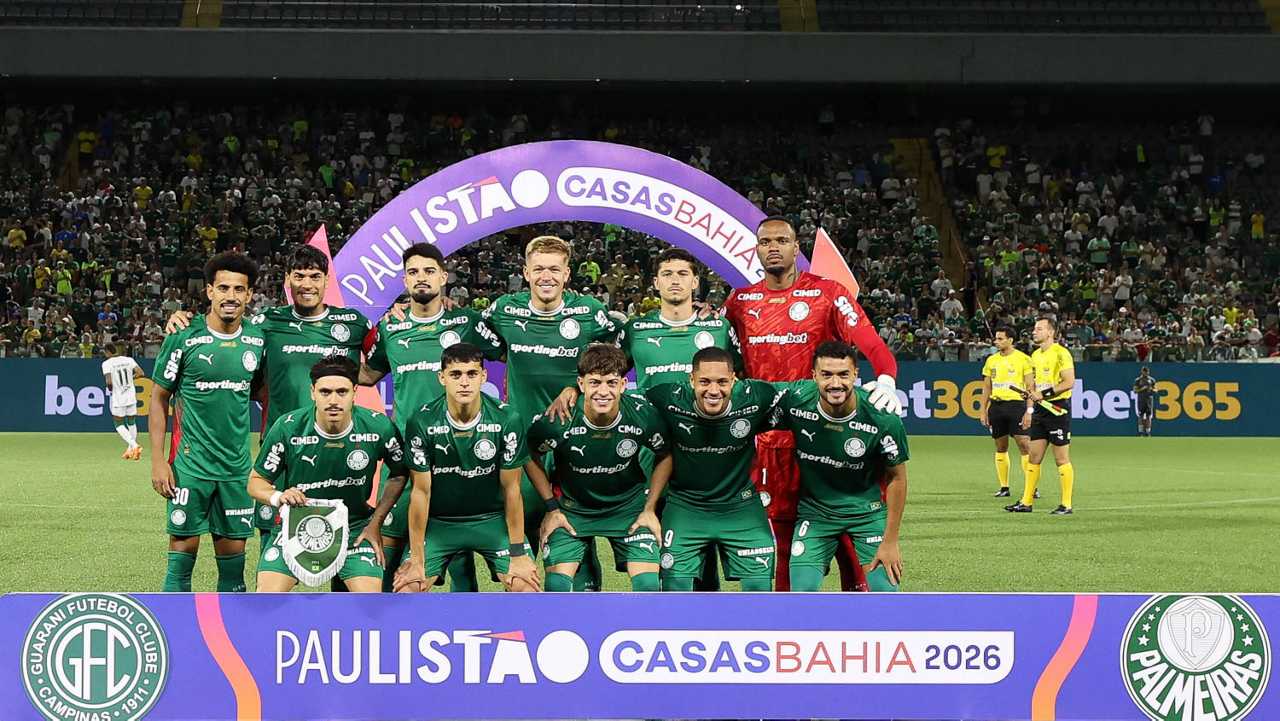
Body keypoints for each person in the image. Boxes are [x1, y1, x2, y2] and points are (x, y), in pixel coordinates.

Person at [721, 215, 900, 592]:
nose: (773, 247)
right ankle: (791, 624)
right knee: (784, 539)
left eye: (781, 240)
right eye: (766, 241)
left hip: (829, 433)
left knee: (851, 542)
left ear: (796, 247)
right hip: (773, 440)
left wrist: (886, 375)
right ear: (756, 249)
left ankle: (863, 624)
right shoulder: (739, 303)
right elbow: (721, 366)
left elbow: (870, 343)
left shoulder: (827, 293)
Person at [165, 244, 374, 544]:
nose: (307, 284)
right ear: (287, 280)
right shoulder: (265, 324)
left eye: (315, 276)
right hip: (281, 451)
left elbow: (379, 365)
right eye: (299, 276)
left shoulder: (353, 325)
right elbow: (232, 347)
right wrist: (183, 319)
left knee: (342, 537)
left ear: (327, 281)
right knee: (272, 541)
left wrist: (404, 312)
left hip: (337, 450)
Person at [360, 242, 504, 591]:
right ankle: (387, 630)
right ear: (405, 280)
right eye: (413, 272)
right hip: (407, 459)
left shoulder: (466, 321)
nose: (420, 279)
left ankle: (464, 627)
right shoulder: (391, 327)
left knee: (459, 552)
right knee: (388, 551)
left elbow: (511, 351)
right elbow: (368, 375)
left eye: (428, 271)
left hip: (462, 453)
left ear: (443, 276)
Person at [480, 236, 620, 591]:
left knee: (577, 536)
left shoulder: (589, 312)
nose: (547, 276)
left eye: (554, 269)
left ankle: (585, 615)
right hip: (523, 448)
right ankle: (526, 619)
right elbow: (467, 330)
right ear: (525, 273)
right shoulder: (503, 311)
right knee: (520, 538)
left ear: (567, 274)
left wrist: (581, 384)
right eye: (539, 268)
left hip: (577, 447)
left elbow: (616, 356)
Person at [149, 252, 266, 592]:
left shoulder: (258, 340)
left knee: (233, 572)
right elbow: (159, 398)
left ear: (249, 295)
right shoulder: (183, 336)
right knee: (180, 562)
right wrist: (159, 462)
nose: (231, 296)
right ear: (210, 291)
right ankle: (174, 636)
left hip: (236, 470)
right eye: (224, 288)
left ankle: (231, 640)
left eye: (239, 290)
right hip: (190, 466)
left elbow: (259, 391)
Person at [248, 356, 408, 593]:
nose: (333, 400)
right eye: (325, 392)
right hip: (296, 525)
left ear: (355, 391)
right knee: (267, 598)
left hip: (354, 527)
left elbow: (399, 473)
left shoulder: (379, 427)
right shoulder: (288, 427)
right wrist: (278, 497)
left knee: (370, 602)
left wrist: (375, 522)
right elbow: (256, 482)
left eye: (342, 391)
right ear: (313, 392)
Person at [640, 346, 789, 592]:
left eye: (722, 382)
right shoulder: (667, 397)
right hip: (686, 506)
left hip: (740, 507)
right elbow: (620, 400)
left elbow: (804, 392)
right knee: (674, 588)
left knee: (759, 588)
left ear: (734, 380)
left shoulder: (756, 395)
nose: (713, 390)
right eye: (704, 382)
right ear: (691, 380)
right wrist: (570, 391)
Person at [394, 343, 541, 592]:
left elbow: (512, 489)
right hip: (440, 523)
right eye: (455, 375)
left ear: (484, 376)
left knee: (526, 586)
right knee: (408, 587)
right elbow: (421, 492)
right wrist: (417, 559)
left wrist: (517, 553)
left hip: (492, 521)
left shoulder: (507, 418)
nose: (464, 382)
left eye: (472, 374)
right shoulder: (422, 420)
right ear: (442, 378)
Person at [525, 345, 669, 592]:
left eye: (611, 383)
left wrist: (649, 508)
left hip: (629, 509)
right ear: (581, 384)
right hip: (573, 510)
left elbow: (665, 454)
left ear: (624, 384)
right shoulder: (559, 419)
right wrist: (551, 507)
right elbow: (529, 454)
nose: (603, 392)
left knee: (648, 587)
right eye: (595, 382)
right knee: (556, 587)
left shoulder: (641, 414)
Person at [776, 342, 908, 592]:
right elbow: (755, 397)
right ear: (813, 375)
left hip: (867, 514)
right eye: (826, 374)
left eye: (843, 374)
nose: (835, 383)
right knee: (800, 595)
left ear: (856, 375)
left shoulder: (882, 416)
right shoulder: (797, 400)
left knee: (887, 597)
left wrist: (890, 541)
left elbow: (897, 478)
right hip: (816, 515)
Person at [1006, 317, 1077, 515]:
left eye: (1039, 329)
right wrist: (1029, 403)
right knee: (1033, 457)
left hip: (1057, 409)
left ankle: (1066, 504)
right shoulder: (1035, 355)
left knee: (1061, 458)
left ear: (1051, 332)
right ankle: (1026, 502)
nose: (1034, 332)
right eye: (1034, 329)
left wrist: (1043, 394)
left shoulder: (1062, 353)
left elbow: (1069, 382)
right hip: (1040, 410)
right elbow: (1035, 386)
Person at [979, 326, 1035, 498]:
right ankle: (1004, 487)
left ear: (1010, 340)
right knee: (1001, 446)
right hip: (997, 406)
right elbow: (987, 387)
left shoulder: (1024, 359)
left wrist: (1029, 411)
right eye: (996, 338)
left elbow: (1031, 387)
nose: (996, 342)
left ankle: (1031, 486)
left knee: (1024, 444)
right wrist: (983, 411)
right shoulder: (991, 360)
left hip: (1017, 406)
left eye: (1000, 339)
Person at [101, 341, 145, 459]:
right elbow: (141, 373)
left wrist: (111, 390)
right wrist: (130, 378)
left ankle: (135, 445)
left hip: (119, 396)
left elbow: (109, 381)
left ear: (107, 352)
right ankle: (131, 450)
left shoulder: (107, 363)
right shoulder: (128, 360)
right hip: (130, 394)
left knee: (118, 424)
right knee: (131, 421)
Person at [1133, 365, 1158, 437]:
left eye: (1146, 372)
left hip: (1149, 400)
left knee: (1148, 416)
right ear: (1142, 372)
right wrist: (1142, 389)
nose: (1145, 373)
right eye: (1144, 371)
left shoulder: (1151, 380)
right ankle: (1140, 432)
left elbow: (1156, 390)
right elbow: (1135, 390)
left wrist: (1151, 389)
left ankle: (1148, 432)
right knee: (1140, 416)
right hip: (1141, 399)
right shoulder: (1138, 380)